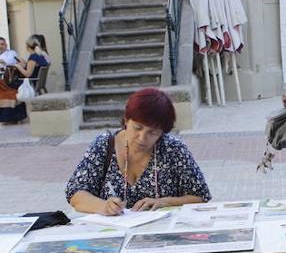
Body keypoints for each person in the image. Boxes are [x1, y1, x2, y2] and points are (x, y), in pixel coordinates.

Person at [66, 88, 210, 213]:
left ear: (162, 133)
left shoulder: (173, 149)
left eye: (152, 132)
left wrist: (165, 202)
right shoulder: (104, 145)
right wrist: (104, 206)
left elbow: (200, 196)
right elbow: (76, 194)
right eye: (137, 128)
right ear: (126, 120)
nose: (142, 138)